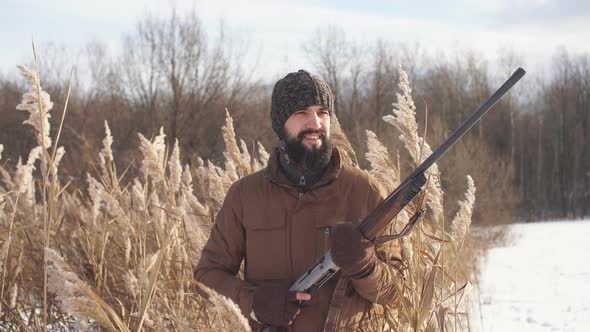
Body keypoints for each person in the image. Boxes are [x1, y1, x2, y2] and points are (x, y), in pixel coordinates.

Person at [194, 70, 405, 332]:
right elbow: (207, 276)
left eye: (322, 112)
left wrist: (366, 268)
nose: (315, 123)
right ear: (281, 123)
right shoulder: (245, 196)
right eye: (301, 113)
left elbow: (398, 294)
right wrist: (253, 302)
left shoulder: (364, 191)